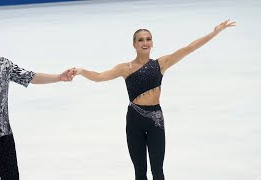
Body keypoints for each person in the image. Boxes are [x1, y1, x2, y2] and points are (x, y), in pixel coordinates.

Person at [73, 20, 236, 180]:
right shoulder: (125, 68)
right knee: (140, 172)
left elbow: (189, 48)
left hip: (155, 120)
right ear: (134, 44)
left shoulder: (161, 64)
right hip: (134, 119)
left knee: (157, 170)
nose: (145, 42)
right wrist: (81, 71)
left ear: (152, 43)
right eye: (140, 40)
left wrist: (215, 32)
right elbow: (99, 76)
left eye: (148, 39)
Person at [0, 22, 74, 180]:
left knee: (11, 175)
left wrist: (59, 77)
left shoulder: (4, 64)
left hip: (3, 129)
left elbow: (30, 76)